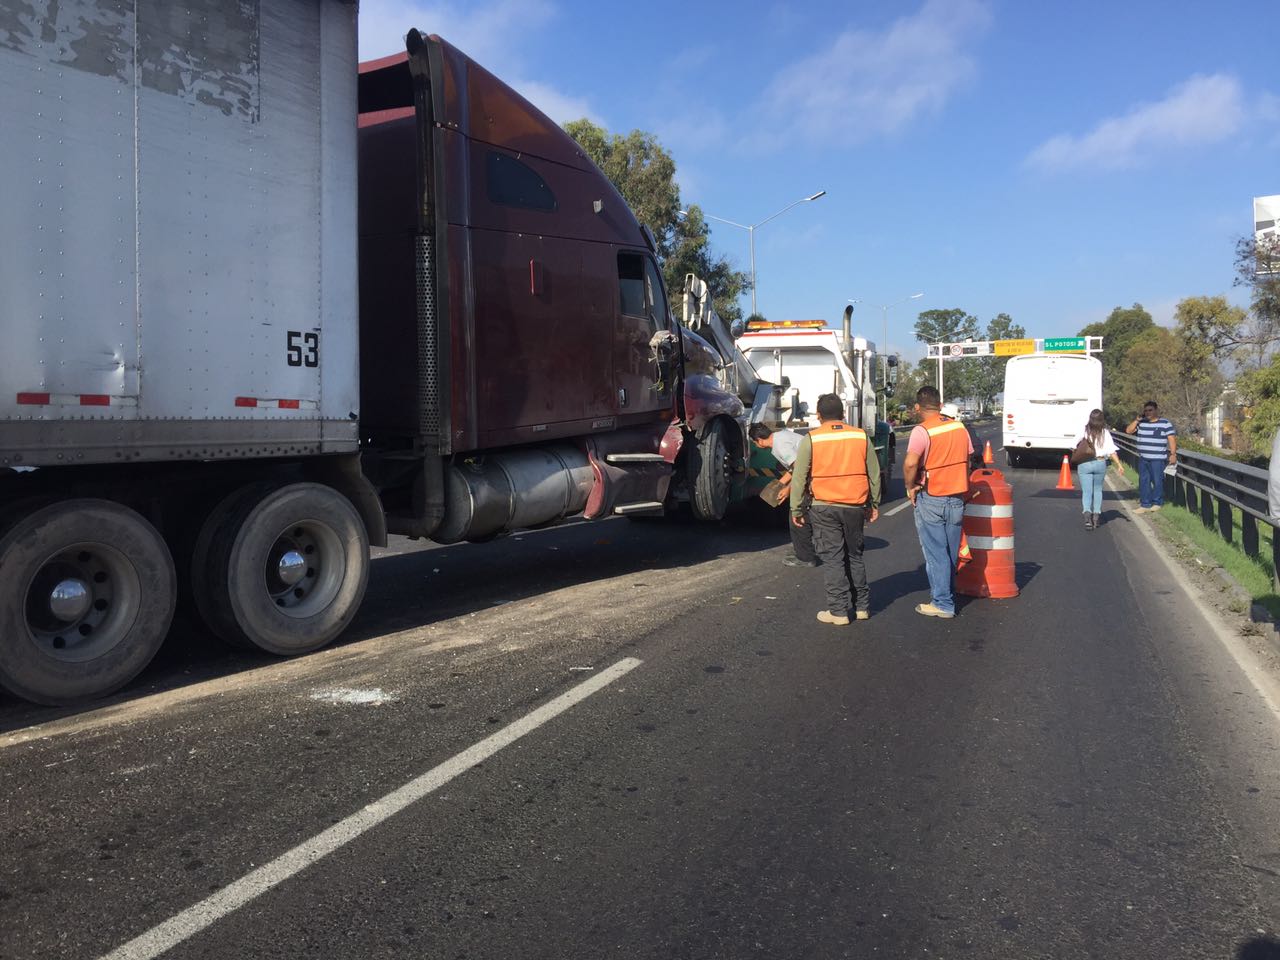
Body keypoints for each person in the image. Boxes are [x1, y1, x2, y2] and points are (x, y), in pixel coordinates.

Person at [790, 393, 881, 626]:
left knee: (833, 558)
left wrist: (796, 509)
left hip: (824, 507)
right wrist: (874, 504)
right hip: (855, 506)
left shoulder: (811, 439)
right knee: (855, 556)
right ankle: (862, 607)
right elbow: (874, 473)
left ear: (819, 416)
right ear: (842, 414)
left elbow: (799, 477)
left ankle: (839, 611)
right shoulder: (860, 436)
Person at [901, 385, 974, 619]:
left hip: (932, 496)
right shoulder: (958, 426)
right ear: (940, 405)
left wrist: (909, 486)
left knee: (936, 552)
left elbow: (911, 463)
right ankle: (948, 593)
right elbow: (968, 457)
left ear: (917, 407)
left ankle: (942, 603)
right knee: (951, 551)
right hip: (957, 497)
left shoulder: (922, 431)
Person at [749, 422, 816, 567]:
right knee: (804, 515)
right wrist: (780, 484)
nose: (755, 445)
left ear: (759, 441)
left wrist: (788, 489)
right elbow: (795, 468)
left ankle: (806, 558)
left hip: (813, 477)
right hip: (813, 475)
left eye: (754, 442)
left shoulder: (780, 445)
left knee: (796, 516)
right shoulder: (781, 436)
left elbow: (800, 467)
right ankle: (805, 549)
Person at [1075, 409, 1124, 530]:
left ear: (1090, 418)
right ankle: (1096, 515)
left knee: (1087, 491)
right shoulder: (1105, 433)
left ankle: (1087, 514)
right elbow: (1112, 451)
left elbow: (1072, 444)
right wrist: (1119, 465)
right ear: (1102, 419)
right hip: (1100, 462)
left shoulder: (1084, 430)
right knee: (1097, 490)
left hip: (1085, 463)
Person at [1124, 400, 1177, 513]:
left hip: (1157, 458)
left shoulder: (1165, 423)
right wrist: (1137, 420)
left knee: (1157, 480)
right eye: (1146, 411)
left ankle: (1157, 502)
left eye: (1150, 410)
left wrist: (1173, 454)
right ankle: (1145, 504)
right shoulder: (1142, 423)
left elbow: (1171, 439)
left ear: (1156, 410)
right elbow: (1128, 431)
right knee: (1144, 481)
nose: (1148, 412)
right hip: (1143, 457)